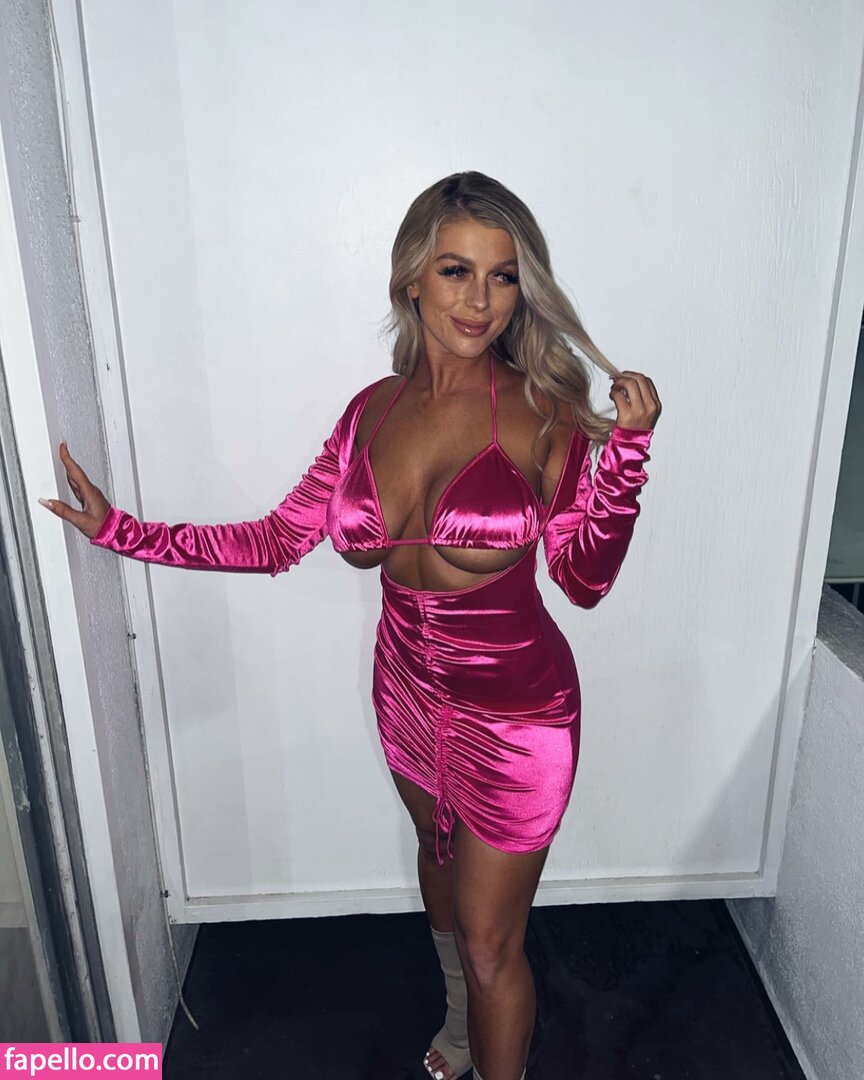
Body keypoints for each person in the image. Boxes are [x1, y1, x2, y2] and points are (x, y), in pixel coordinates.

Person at [40, 171, 661, 1080]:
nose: (479, 301)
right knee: (436, 858)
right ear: (413, 278)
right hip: (403, 689)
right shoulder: (372, 410)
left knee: (494, 944)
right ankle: (460, 1025)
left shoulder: (544, 414)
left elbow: (585, 580)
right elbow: (275, 540)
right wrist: (120, 532)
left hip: (516, 714)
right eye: (456, 271)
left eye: (502, 276)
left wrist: (627, 461)